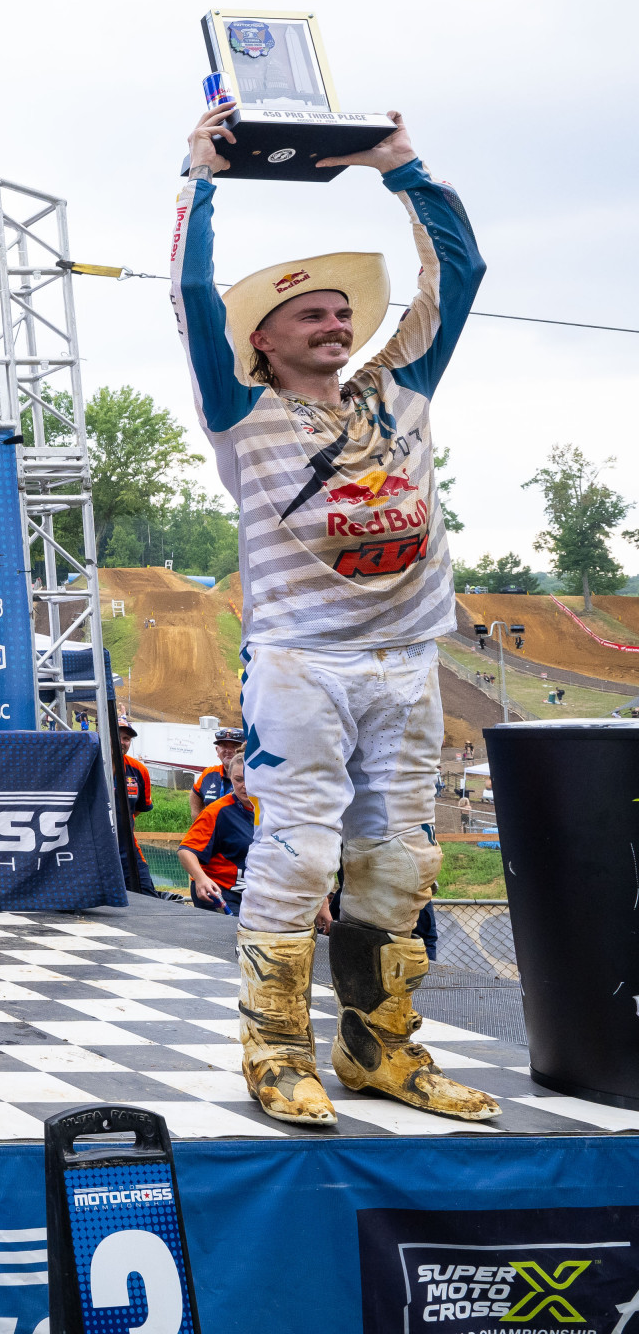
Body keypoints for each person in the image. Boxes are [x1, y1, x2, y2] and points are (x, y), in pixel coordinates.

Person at [173, 99, 494, 1125]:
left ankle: (379, 1049)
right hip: (303, 661)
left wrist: (404, 166)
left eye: (343, 312)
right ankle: (273, 1051)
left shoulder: (401, 389)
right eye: (309, 314)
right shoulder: (243, 411)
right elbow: (187, 296)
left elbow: (464, 274)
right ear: (261, 341)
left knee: (399, 858)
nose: (336, 323)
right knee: (300, 850)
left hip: (407, 658)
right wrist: (201, 178)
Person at [177, 762, 254, 916]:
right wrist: (200, 878)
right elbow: (185, 851)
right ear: (230, 778)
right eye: (238, 779)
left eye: (250, 778)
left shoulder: (272, 809)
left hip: (255, 893)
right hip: (220, 892)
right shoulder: (217, 811)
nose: (244, 785)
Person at [111, 714, 156, 895]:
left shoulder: (139, 770)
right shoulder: (88, 763)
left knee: (149, 897)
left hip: (127, 848)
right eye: (116, 735)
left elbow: (136, 810)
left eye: (126, 738)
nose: (121, 742)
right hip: (92, 849)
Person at [188, 726, 244, 823]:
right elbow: (195, 794)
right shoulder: (209, 774)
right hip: (213, 835)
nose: (228, 750)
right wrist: (199, 819)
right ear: (217, 750)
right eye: (224, 745)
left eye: (235, 746)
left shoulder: (253, 775)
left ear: (243, 750)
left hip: (242, 835)